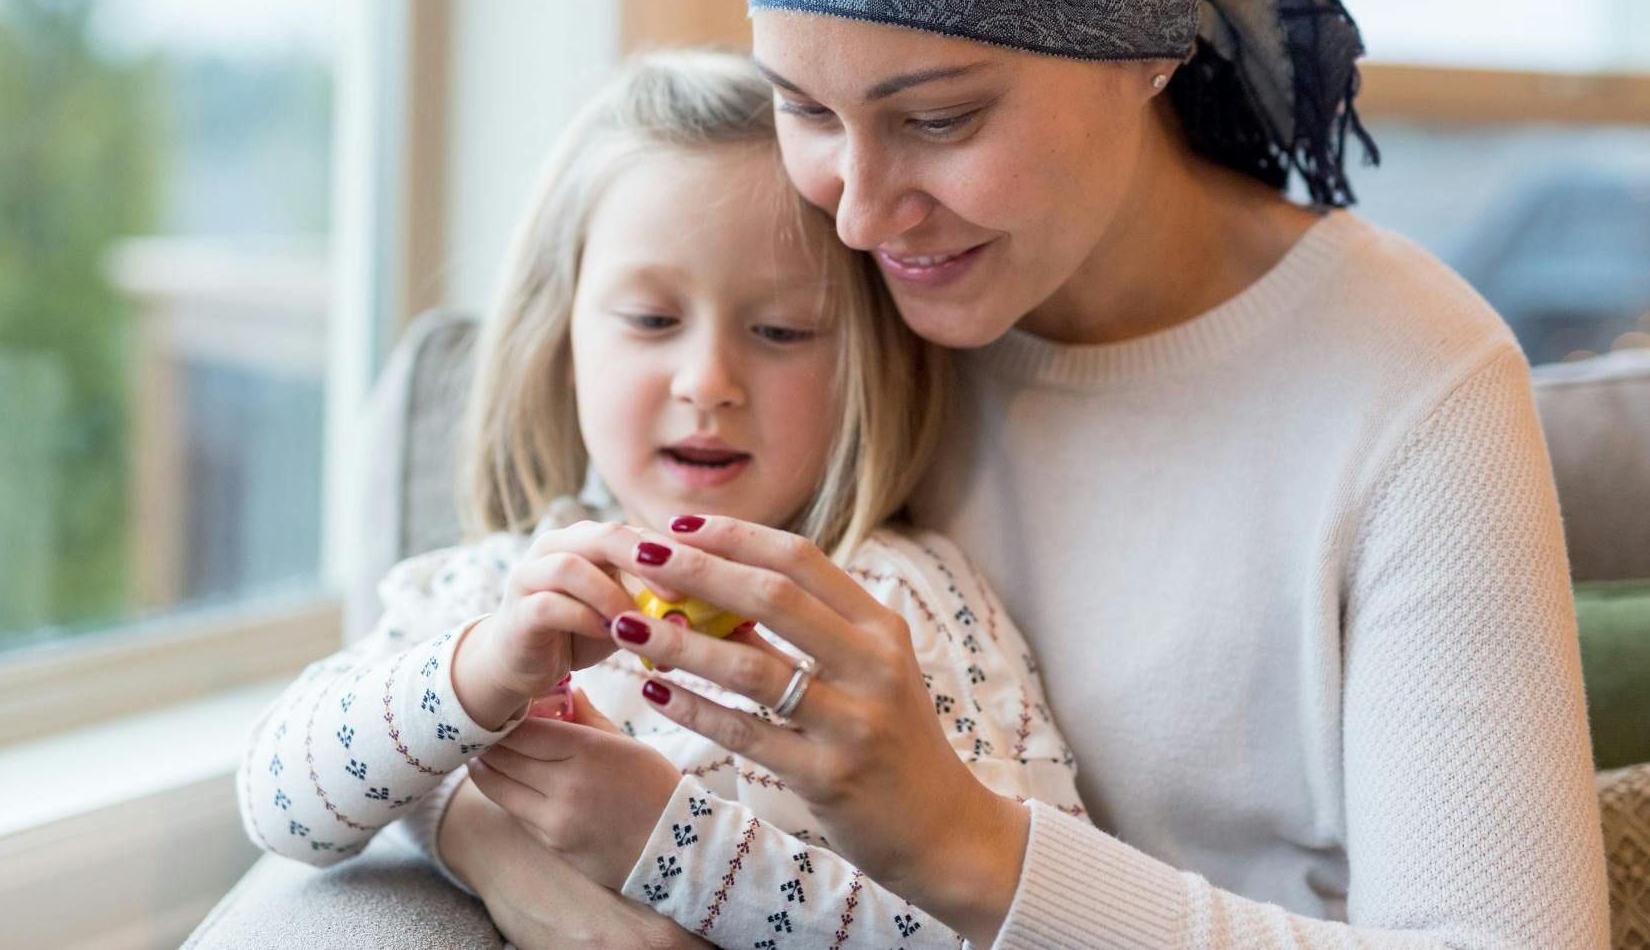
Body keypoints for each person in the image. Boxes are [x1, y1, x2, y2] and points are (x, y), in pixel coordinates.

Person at [447, 0, 1611, 948]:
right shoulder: (821, 317)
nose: (856, 210)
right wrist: (486, 833)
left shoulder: (1411, 386)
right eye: (804, 106)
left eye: (941, 119)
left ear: (1149, 47)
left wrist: (962, 843)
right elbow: (446, 639)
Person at [238, 51, 1089, 949]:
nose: (708, 381)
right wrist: (477, 678)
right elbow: (281, 802)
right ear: (562, 339)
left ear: (868, 364)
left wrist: (672, 844)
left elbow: (1029, 926)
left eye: (780, 330)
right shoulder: (504, 587)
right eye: (650, 320)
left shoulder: (899, 606)